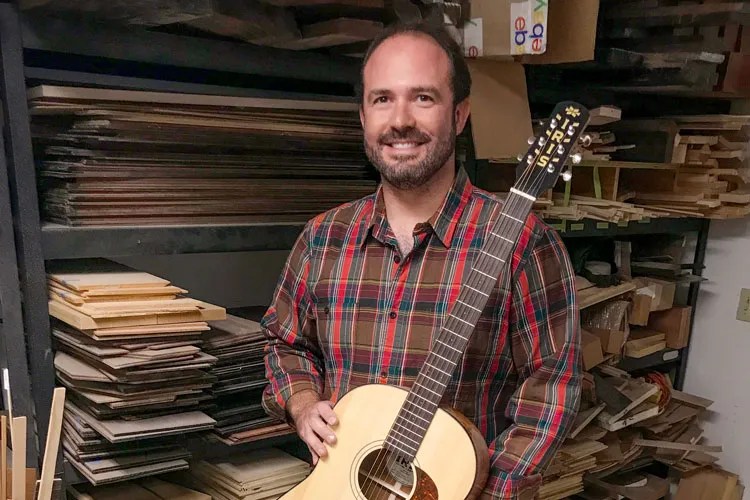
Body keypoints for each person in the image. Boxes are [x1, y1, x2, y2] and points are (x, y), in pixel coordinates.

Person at [261, 21, 582, 499]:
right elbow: (284, 344)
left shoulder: (523, 242)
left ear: (460, 115)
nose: (401, 120)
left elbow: (552, 389)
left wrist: (486, 492)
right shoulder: (323, 238)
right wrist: (304, 405)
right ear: (363, 116)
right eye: (382, 98)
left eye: (424, 98)